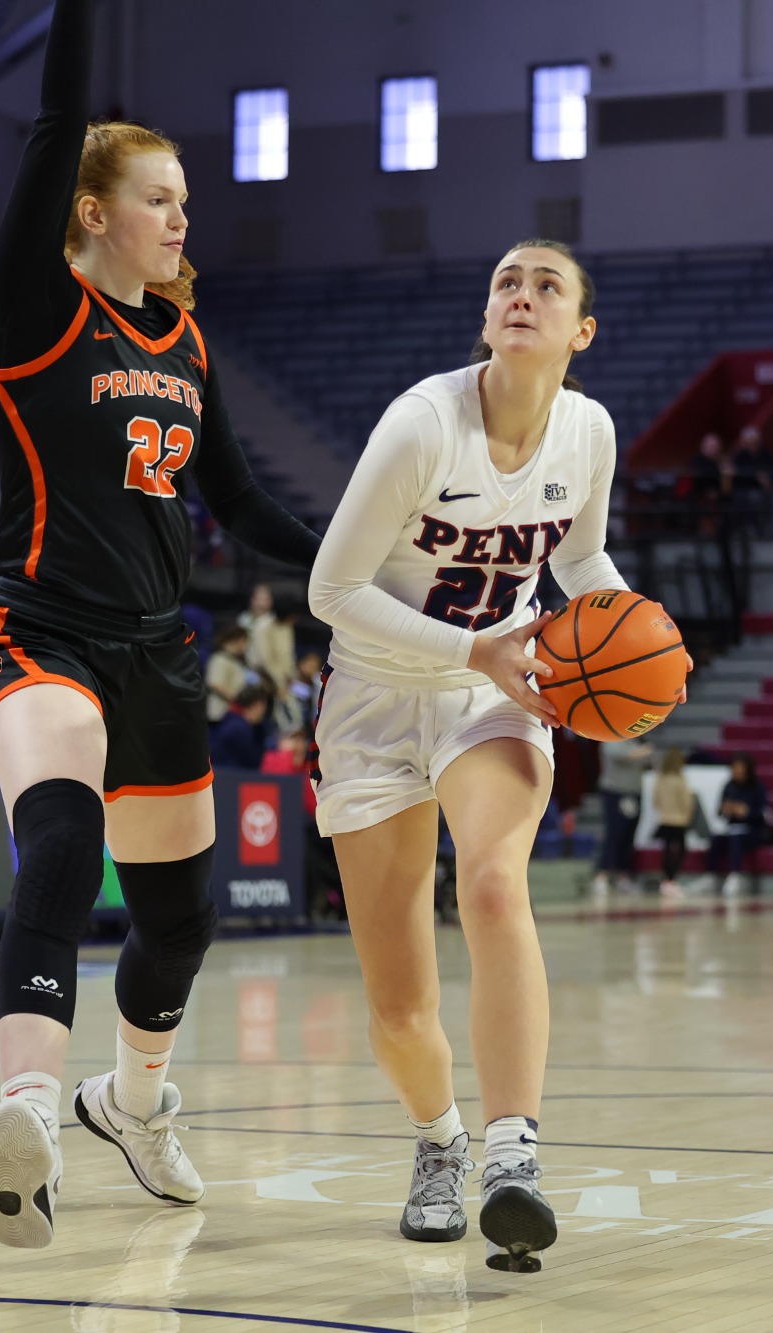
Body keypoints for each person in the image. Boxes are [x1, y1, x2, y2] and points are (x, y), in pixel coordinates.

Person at [0, 0, 322, 1253]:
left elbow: (234, 499)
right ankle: (25, 1110)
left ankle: (129, 1101)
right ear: (94, 211)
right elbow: (55, 121)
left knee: (181, 918)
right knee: (61, 841)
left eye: (183, 202)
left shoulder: (190, 341)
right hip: (41, 632)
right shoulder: (39, 310)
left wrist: (348, 554)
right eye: (160, 199)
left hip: (162, 648)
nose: (181, 221)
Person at [307, 237, 666, 1274]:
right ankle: (438, 1141)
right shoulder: (423, 425)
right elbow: (333, 591)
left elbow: (579, 556)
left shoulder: (587, 429)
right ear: (485, 317)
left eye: (545, 285)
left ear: (578, 331)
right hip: (376, 697)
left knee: (496, 887)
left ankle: (512, 1154)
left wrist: (630, 623)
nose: (520, 294)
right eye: (505, 280)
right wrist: (474, 645)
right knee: (399, 1002)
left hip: (492, 691)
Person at [593, 738, 654, 896]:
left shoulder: (636, 742)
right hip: (615, 792)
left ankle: (623, 875)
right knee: (615, 833)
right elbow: (620, 755)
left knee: (629, 835)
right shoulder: (612, 740)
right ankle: (602, 874)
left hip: (634, 792)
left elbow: (649, 760)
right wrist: (643, 752)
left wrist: (644, 752)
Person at [711, 754, 767, 895]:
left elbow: (765, 813)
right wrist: (726, 809)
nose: (736, 772)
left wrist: (747, 812)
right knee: (716, 838)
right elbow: (719, 811)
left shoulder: (757, 787)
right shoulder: (729, 786)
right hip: (732, 827)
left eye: (740, 768)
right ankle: (711, 876)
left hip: (753, 829)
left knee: (736, 839)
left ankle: (735, 876)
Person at [651, 747, 694, 899]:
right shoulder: (680, 779)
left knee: (667, 851)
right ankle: (672, 879)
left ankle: (667, 879)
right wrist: (687, 815)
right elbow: (686, 801)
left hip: (665, 819)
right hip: (679, 820)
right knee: (680, 851)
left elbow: (655, 800)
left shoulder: (660, 778)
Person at [208, 685, 270, 770]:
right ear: (257, 705)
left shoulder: (232, 720)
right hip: (229, 778)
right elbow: (255, 762)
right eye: (264, 707)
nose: (264, 713)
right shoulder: (238, 728)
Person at [204, 623, 254, 723]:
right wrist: (236, 700)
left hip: (233, 713)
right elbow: (214, 684)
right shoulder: (220, 659)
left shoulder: (235, 661)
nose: (245, 646)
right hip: (221, 714)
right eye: (244, 641)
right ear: (237, 641)